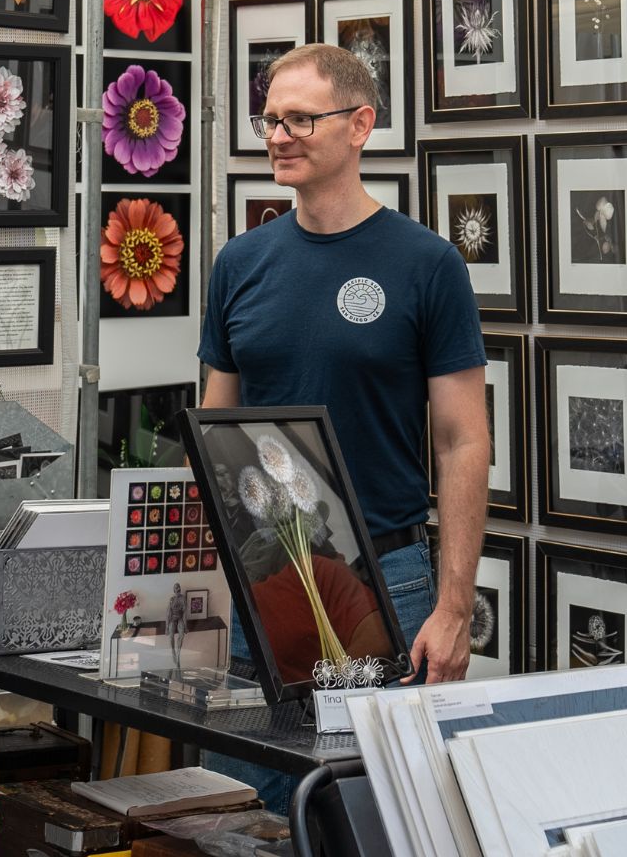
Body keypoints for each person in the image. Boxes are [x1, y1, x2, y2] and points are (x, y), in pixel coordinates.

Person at [199, 44, 489, 810]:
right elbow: (216, 436)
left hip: (385, 583)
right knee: (236, 813)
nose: (279, 135)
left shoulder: (426, 264)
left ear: (360, 125)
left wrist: (455, 605)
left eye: (300, 118)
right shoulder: (240, 264)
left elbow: (464, 440)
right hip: (262, 583)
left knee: (364, 813)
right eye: (270, 119)